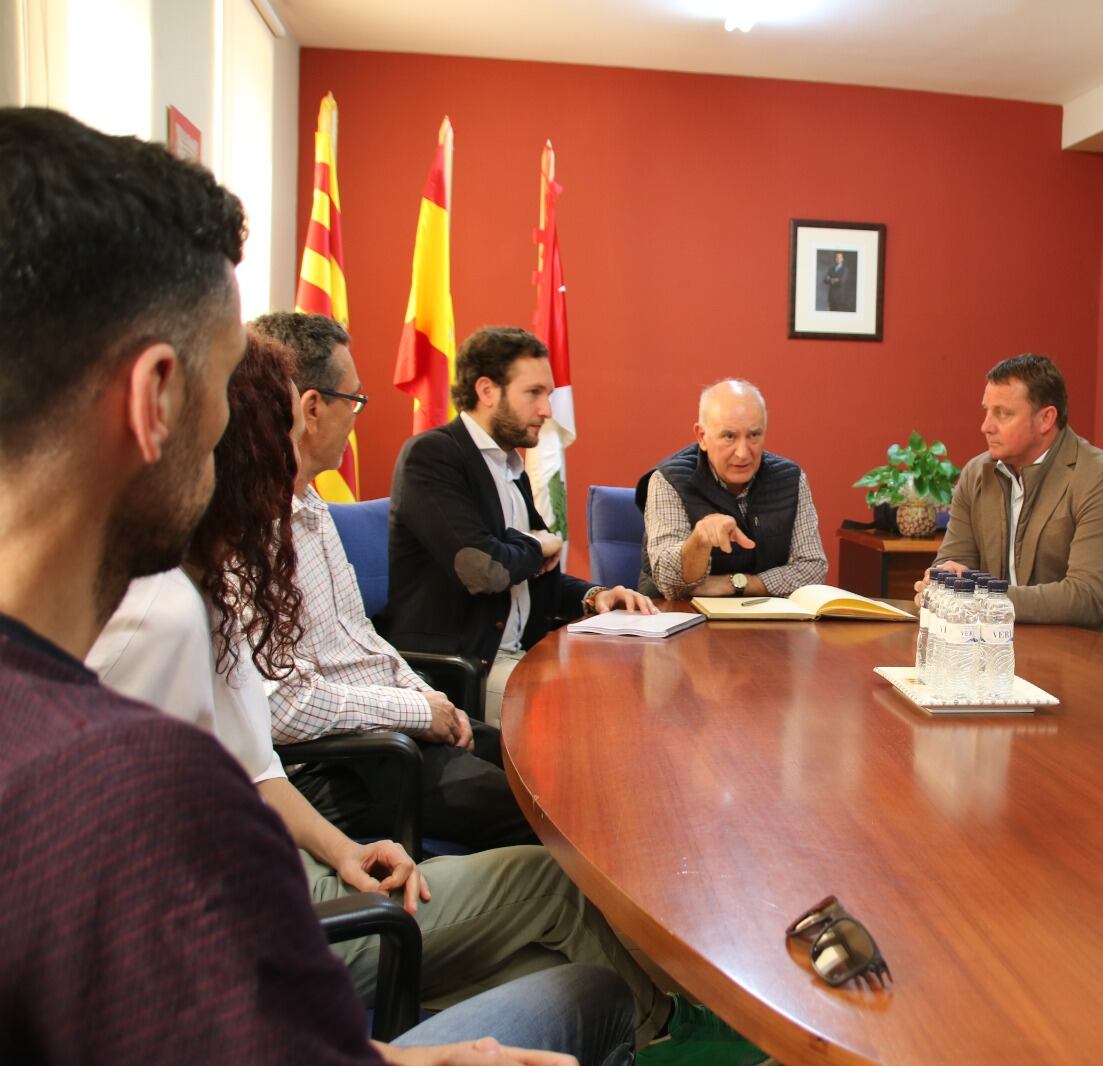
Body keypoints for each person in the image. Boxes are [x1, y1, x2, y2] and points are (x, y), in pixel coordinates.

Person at [0, 104, 622, 1065]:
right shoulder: (131, 780)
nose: (243, 439)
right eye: (224, 392)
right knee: (590, 996)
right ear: (155, 399)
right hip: (334, 847)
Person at [87, 333, 678, 1059]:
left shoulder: (220, 580)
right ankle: (674, 1031)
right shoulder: (158, 615)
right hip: (278, 913)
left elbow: (266, 755)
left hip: (307, 862)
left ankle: (651, 1017)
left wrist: (343, 849)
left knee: (580, 964)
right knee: (559, 867)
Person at [249, 310, 534, 851]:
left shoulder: (311, 504)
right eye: (353, 401)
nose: (358, 416)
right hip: (344, 764)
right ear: (311, 409)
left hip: (392, 730)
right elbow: (281, 706)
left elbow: (363, 641)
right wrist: (416, 711)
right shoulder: (253, 530)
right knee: (545, 813)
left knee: (546, 765)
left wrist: (430, 700)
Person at [386, 326, 653, 725]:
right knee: (597, 710)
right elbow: (484, 569)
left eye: (548, 394)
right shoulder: (434, 456)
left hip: (520, 656)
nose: (547, 410)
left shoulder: (511, 469)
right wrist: (534, 546)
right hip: (463, 671)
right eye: (534, 393)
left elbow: (531, 574)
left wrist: (595, 595)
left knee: (632, 682)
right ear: (487, 391)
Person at [918, 354, 1103, 636]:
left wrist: (979, 598)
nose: (986, 426)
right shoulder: (977, 474)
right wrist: (942, 583)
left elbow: (1086, 598)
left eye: (1003, 413)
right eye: (986, 411)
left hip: (1099, 651)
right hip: (1009, 642)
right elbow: (956, 559)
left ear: (1046, 419)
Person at [640, 378, 828, 599]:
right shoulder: (668, 480)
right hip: (681, 620)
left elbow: (814, 569)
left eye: (754, 435)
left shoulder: (791, 479)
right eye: (729, 436)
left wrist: (738, 584)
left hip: (766, 621)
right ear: (702, 437)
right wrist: (699, 541)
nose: (743, 453)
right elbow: (669, 583)